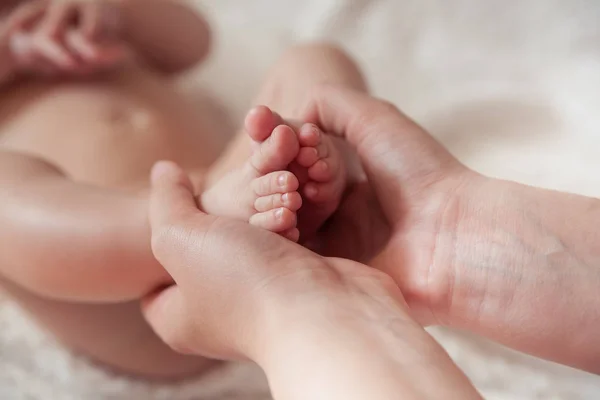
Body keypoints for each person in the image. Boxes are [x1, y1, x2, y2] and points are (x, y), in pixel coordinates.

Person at [142, 84, 600, 396]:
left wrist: (288, 305)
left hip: (213, 241)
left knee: (313, 68)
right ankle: (233, 196)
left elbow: (190, 37)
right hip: (149, 245)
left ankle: (298, 165)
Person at [0, 0, 364, 378]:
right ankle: (197, 221)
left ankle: (313, 173)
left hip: (236, 180)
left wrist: (116, 11)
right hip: (139, 291)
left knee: (314, 62)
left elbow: (194, 42)